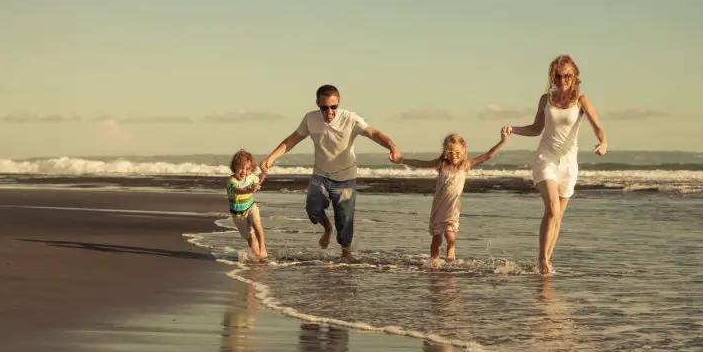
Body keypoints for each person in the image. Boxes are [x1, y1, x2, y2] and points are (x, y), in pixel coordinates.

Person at [260, 84, 402, 260]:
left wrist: (392, 146)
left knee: (345, 220)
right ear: (318, 104)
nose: (329, 112)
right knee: (313, 208)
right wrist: (271, 159)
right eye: (324, 107)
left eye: (333, 107)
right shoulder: (310, 119)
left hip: (345, 176)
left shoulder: (351, 119)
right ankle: (327, 228)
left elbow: (374, 133)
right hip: (320, 174)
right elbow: (292, 140)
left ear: (339, 103)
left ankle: (345, 254)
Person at [503, 55, 607, 275]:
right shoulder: (546, 99)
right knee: (552, 209)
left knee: (558, 216)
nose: (562, 80)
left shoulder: (581, 101)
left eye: (567, 76)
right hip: (545, 159)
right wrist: (513, 129)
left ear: (575, 76)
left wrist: (603, 142)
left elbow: (598, 127)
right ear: (553, 76)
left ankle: (546, 263)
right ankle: (542, 260)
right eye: (558, 76)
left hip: (568, 164)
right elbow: (536, 129)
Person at [401, 130, 511, 267]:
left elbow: (488, 155)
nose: (454, 156)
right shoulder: (441, 164)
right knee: (436, 237)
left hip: (453, 206)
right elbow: (420, 163)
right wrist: (402, 160)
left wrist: (503, 141)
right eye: (450, 152)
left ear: (464, 150)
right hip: (439, 206)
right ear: (445, 151)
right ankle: (433, 261)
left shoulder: (465, 165)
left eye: (457, 153)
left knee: (450, 234)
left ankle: (451, 247)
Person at [226, 149, 268, 258]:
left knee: (257, 224)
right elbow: (238, 191)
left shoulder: (251, 177)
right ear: (234, 167)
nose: (244, 171)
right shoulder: (231, 181)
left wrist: (264, 173)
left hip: (250, 206)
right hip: (238, 214)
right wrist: (250, 190)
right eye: (241, 168)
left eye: (247, 169)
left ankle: (263, 249)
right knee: (250, 237)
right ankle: (257, 255)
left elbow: (258, 182)